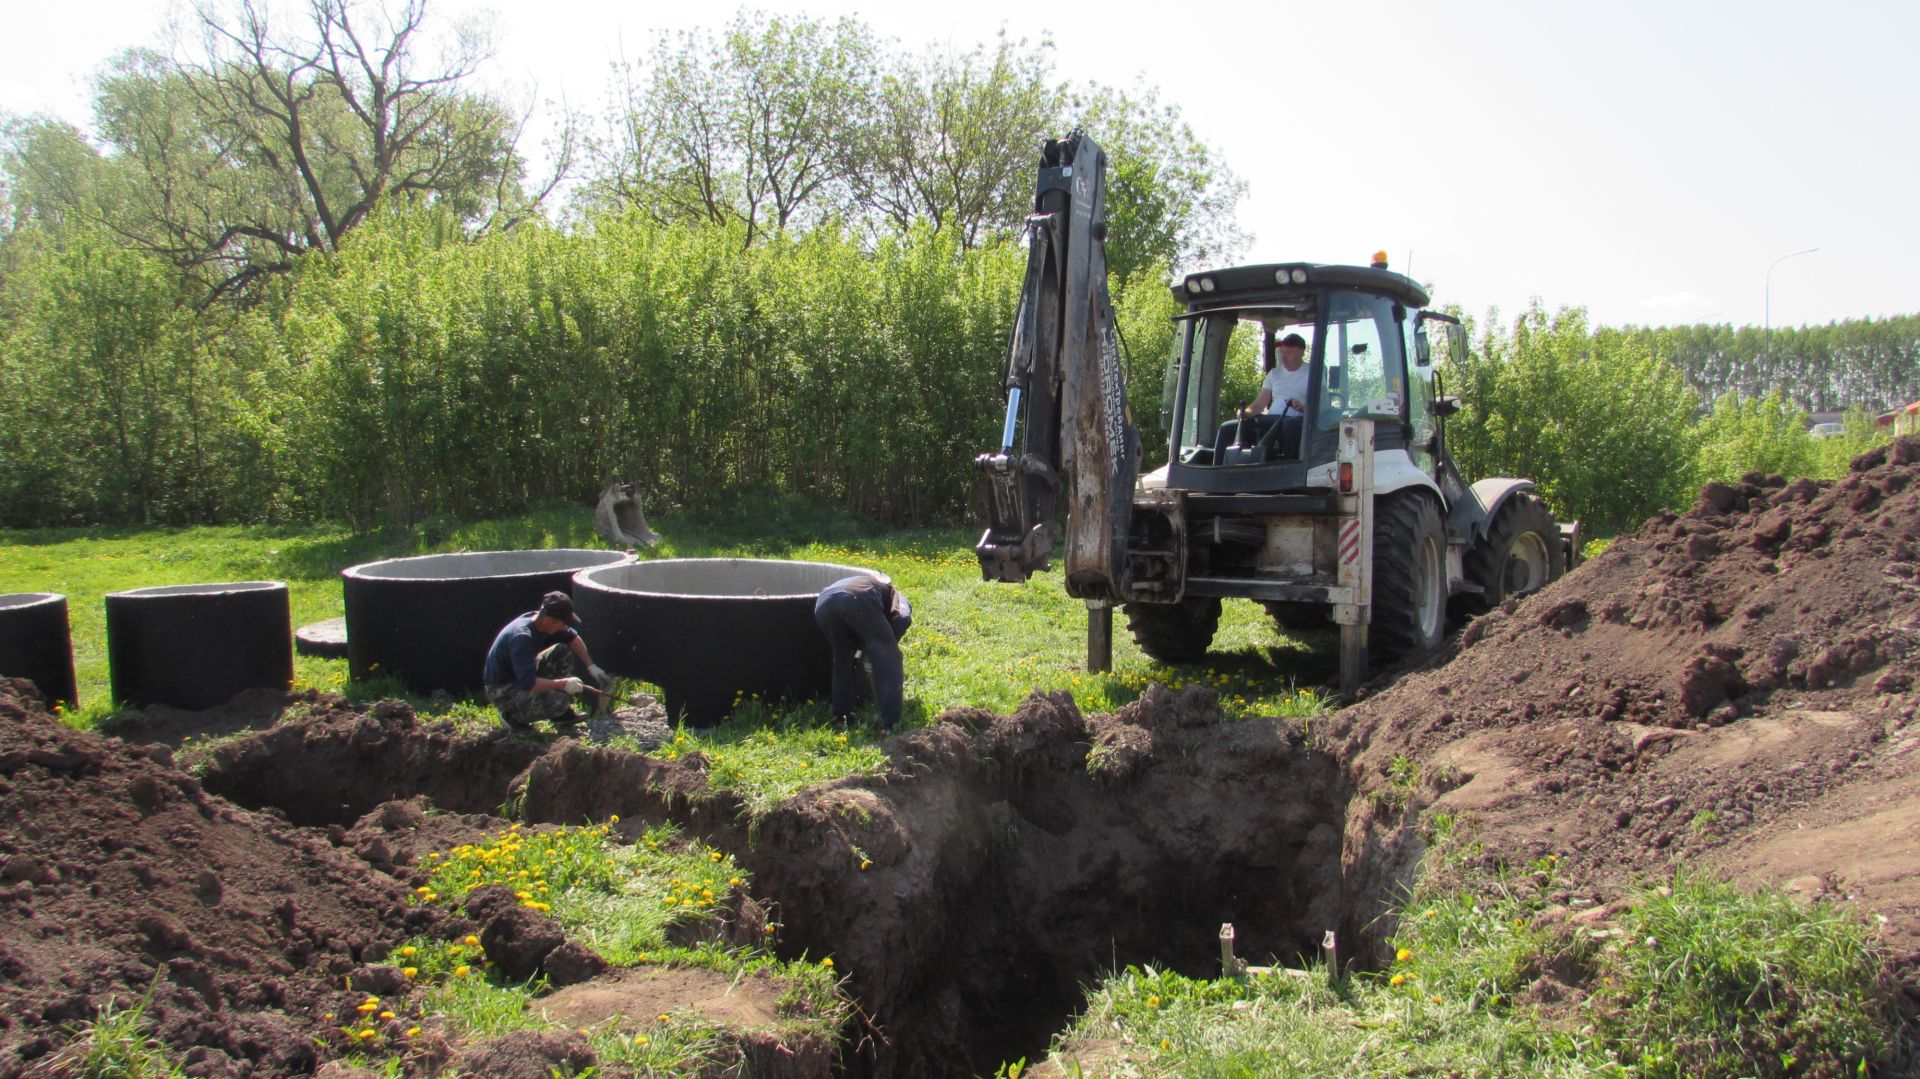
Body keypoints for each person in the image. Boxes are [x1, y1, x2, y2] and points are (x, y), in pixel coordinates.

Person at [482, 591, 611, 731]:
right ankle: (513, 716)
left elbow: (573, 638)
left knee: (561, 650)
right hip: (503, 689)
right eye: (562, 623)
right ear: (548, 620)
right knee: (560, 702)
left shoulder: (540, 621)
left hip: (520, 674)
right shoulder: (522, 637)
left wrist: (591, 666)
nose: (564, 627)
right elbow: (529, 683)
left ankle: (560, 715)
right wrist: (564, 684)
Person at [813, 575, 912, 729]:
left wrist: (866, 650)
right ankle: (890, 724)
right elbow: (902, 619)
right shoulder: (898, 599)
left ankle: (842, 717)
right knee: (889, 655)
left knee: (842, 657)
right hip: (855, 598)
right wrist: (884, 648)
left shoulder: (875, 588)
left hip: (824, 603)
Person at [1248, 332, 1311, 417]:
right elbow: (1260, 404)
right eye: (1281, 352)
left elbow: (1322, 406)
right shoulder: (1274, 373)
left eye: (1288, 352)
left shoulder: (1313, 373)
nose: (1283, 357)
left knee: (1287, 424)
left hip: (1298, 422)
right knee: (1228, 427)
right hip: (1272, 420)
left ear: (1301, 352)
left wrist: (1302, 408)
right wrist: (1244, 412)